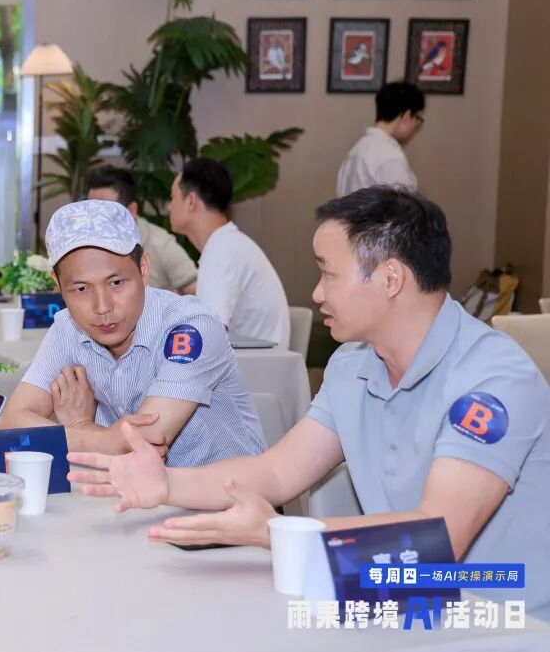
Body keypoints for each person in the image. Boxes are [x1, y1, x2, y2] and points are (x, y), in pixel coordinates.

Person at [69, 187, 550, 619]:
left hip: (501, 618)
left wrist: (277, 535)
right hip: (397, 601)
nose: (317, 292)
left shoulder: (492, 379)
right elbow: (277, 471)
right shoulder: (354, 364)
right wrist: (166, 482)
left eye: (328, 274)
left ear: (390, 278)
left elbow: (438, 541)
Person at [0, 200, 265, 467]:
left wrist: (81, 425)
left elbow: (143, 446)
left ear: (144, 269)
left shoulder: (191, 327)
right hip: (129, 490)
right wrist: (102, 439)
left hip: (226, 490)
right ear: (58, 284)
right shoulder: (67, 328)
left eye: (116, 283)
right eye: (81, 289)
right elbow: (11, 424)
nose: (102, 307)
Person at [169, 158, 290, 348]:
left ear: (191, 201)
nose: (169, 207)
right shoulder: (225, 244)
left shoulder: (222, 250)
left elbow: (206, 334)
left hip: (256, 363)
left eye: (172, 198)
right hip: (253, 359)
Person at [85, 165, 197, 294]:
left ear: (131, 210)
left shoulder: (160, 244)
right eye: (90, 210)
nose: (96, 220)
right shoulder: (80, 245)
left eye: (106, 211)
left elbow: (196, 291)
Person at [336, 81, 425, 196]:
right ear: (407, 116)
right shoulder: (390, 156)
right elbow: (405, 204)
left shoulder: (356, 150)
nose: (416, 127)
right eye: (418, 119)